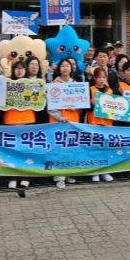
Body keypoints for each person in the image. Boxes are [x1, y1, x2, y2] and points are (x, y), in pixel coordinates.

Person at [48, 59, 80, 189]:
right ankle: (59, 177)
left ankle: (69, 173)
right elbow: (50, 107)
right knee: (59, 149)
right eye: (62, 66)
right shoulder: (53, 84)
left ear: (71, 68)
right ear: (59, 68)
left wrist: (77, 107)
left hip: (73, 121)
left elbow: (81, 104)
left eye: (67, 65)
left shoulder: (76, 85)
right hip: (58, 122)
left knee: (71, 148)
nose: (65, 68)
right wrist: (60, 117)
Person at [2, 61, 33, 190]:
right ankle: (12, 178)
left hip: (28, 120)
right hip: (11, 120)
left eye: (22, 68)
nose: (19, 71)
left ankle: (25, 177)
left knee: (26, 151)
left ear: (26, 70)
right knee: (11, 151)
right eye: (17, 68)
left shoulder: (32, 85)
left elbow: (38, 103)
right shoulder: (7, 84)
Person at [87, 67, 114, 183]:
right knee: (95, 148)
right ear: (94, 78)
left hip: (107, 123)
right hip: (94, 122)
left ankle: (105, 171)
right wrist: (91, 103)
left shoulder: (110, 91)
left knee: (105, 148)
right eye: (99, 77)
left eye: (104, 77)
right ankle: (95, 172)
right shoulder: (90, 89)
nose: (101, 80)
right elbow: (85, 107)